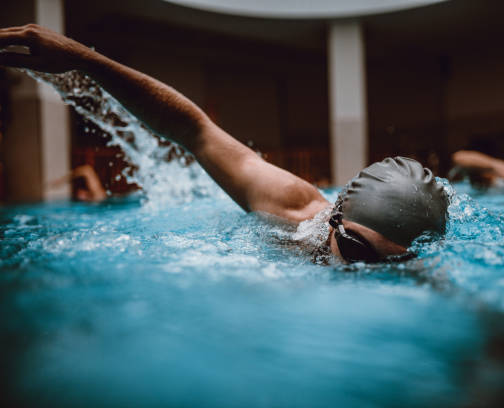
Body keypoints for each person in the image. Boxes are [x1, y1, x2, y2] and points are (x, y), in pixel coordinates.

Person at [0, 24, 449, 264]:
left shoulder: (419, 276)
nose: (356, 270)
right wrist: (83, 59)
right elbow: (194, 130)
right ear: (333, 219)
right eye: (353, 250)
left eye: (380, 266)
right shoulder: (295, 211)